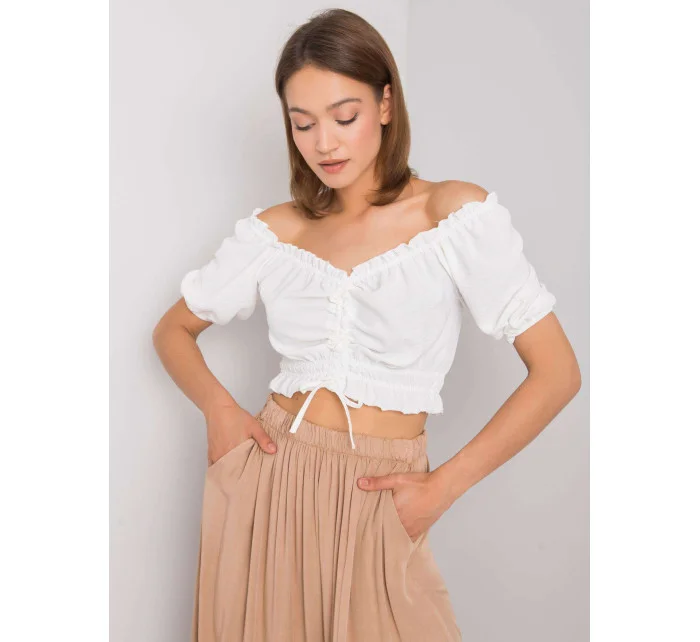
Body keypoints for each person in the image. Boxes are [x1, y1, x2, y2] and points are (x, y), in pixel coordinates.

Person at [152, 8, 581, 642]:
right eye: (302, 123)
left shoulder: (451, 215)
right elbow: (172, 330)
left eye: (343, 117)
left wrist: (443, 487)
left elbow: (557, 373)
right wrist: (219, 410)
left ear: (385, 103)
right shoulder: (276, 232)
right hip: (272, 478)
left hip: (381, 488)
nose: (324, 143)